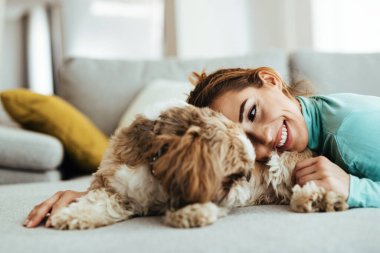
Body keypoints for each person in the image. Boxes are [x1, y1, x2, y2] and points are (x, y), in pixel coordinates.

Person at [24, 66, 380, 228]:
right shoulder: (303, 135)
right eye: (245, 140)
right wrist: (97, 194)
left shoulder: (349, 130)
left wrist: (357, 189)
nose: (265, 140)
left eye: (252, 112)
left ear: (271, 80)